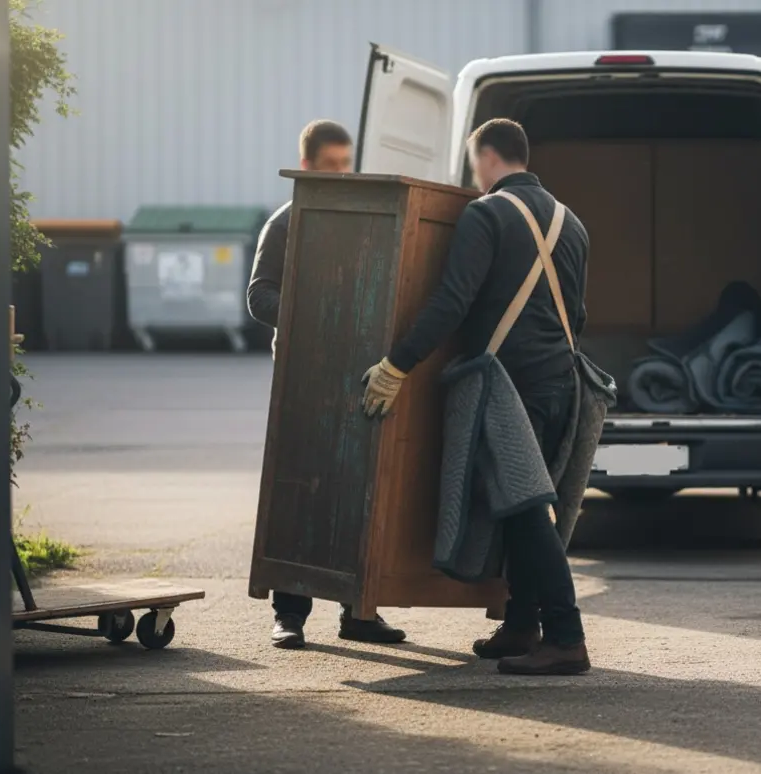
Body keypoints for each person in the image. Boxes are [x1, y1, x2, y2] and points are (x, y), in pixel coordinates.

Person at [359, 118, 591, 675]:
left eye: (473, 163)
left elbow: (451, 302)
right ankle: (520, 624)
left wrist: (397, 364)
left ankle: (566, 636)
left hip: (509, 387)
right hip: (563, 384)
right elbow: (577, 316)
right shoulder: (573, 222)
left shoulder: (485, 213)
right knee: (525, 507)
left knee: (527, 510)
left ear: (487, 157)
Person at [247, 119, 408, 649]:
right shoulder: (285, 222)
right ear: (308, 164)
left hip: (358, 379)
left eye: (347, 162)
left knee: (360, 493)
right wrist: (315, 319)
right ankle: (288, 616)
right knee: (298, 493)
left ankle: (359, 613)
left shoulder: (369, 221)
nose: (342, 172)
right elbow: (259, 297)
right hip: (301, 380)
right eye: (332, 163)